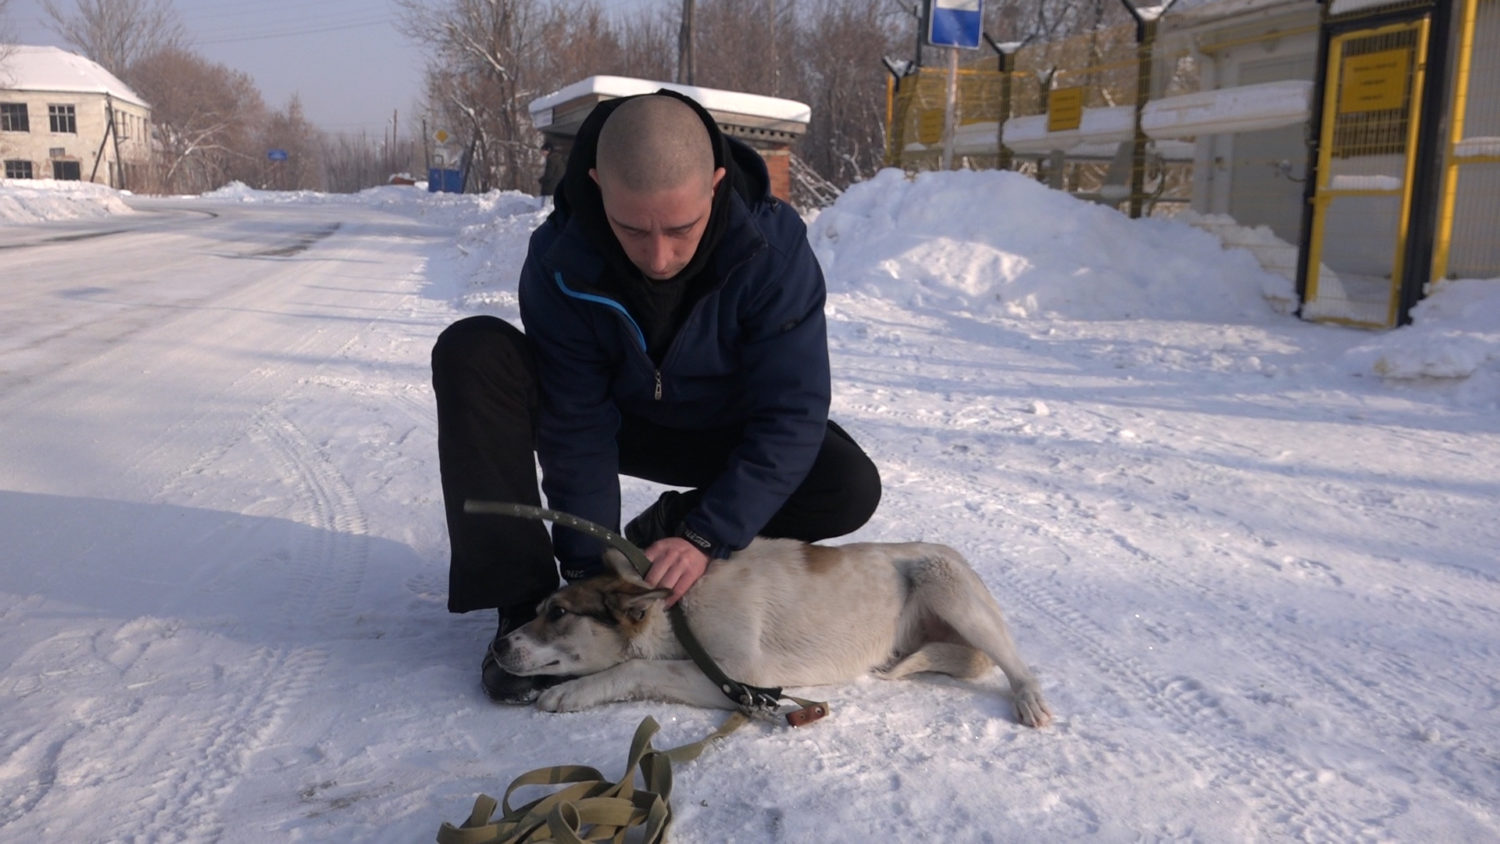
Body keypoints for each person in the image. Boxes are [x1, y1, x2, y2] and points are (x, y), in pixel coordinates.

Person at [430, 90, 882, 703]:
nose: (659, 256)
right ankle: (523, 605)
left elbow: (792, 411)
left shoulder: (774, 251)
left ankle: (670, 524)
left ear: (717, 184)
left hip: (723, 432)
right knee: (473, 351)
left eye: (681, 228)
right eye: (632, 229)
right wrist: (590, 574)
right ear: (596, 184)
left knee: (846, 482)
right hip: (622, 421)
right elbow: (577, 422)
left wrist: (705, 534)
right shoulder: (561, 258)